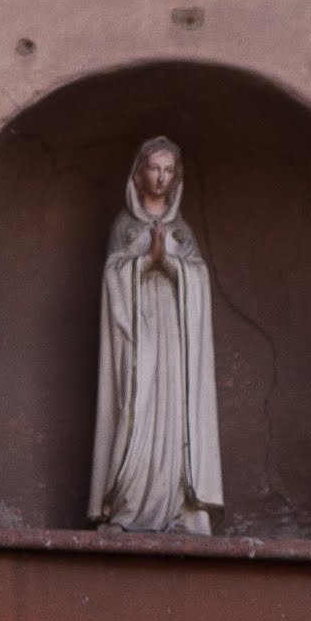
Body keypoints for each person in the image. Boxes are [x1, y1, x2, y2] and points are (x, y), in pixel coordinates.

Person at [88, 136, 223, 535]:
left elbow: (199, 277)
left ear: (176, 176)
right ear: (139, 172)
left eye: (168, 170)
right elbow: (112, 275)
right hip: (136, 335)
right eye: (154, 168)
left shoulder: (181, 230)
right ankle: (127, 507)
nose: (161, 178)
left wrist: (174, 267)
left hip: (175, 339)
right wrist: (146, 263)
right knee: (137, 406)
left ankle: (181, 511)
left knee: (176, 414)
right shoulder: (125, 226)